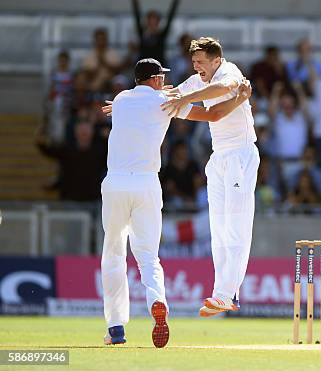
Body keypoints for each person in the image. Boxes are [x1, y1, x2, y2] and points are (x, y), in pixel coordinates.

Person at [100, 58, 251, 347]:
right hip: (146, 183)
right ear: (157, 79)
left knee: (114, 254)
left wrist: (157, 93)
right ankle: (158, 301)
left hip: (116, 182)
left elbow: (135, 102)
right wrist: (241, 98)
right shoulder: (166, 102)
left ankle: (116, 328)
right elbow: (215, 115)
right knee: (148, 257)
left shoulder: (119, 100)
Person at [159, 37, 260, 317]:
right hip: (218, 158)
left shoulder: (229, 72)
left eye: (201, 62)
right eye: (194, 63)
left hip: (241, 154)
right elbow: (170, 97)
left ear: (216, 60)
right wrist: (126, 102)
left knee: (236, 226)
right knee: (218, 230)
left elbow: (222, 91)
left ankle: (227, 294)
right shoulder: (196, 81)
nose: (197, 67)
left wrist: (186, 100)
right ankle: (223, 294)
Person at [131, 0, 180, 65]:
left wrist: (175, 3)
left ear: (158, 22)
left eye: (154, 20)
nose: (152, 23)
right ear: (147, 21)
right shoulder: (143, 33)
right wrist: (135, 3)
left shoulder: (161, 35)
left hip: (159, 65)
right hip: (143, 66)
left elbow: (170, 18)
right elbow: (137, 16)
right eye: (150, 20)